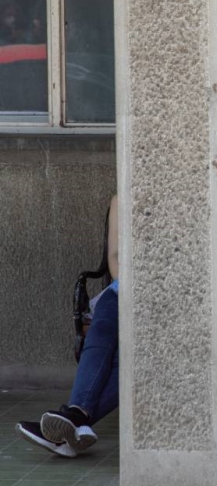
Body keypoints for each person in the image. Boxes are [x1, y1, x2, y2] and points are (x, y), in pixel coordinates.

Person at [16, 195, 120, 458]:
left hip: (163, 298)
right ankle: (74, 423)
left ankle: (72, 420)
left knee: (127, 357)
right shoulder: (121, 199)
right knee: (102, 332)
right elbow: (115, 258)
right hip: (124, 289)